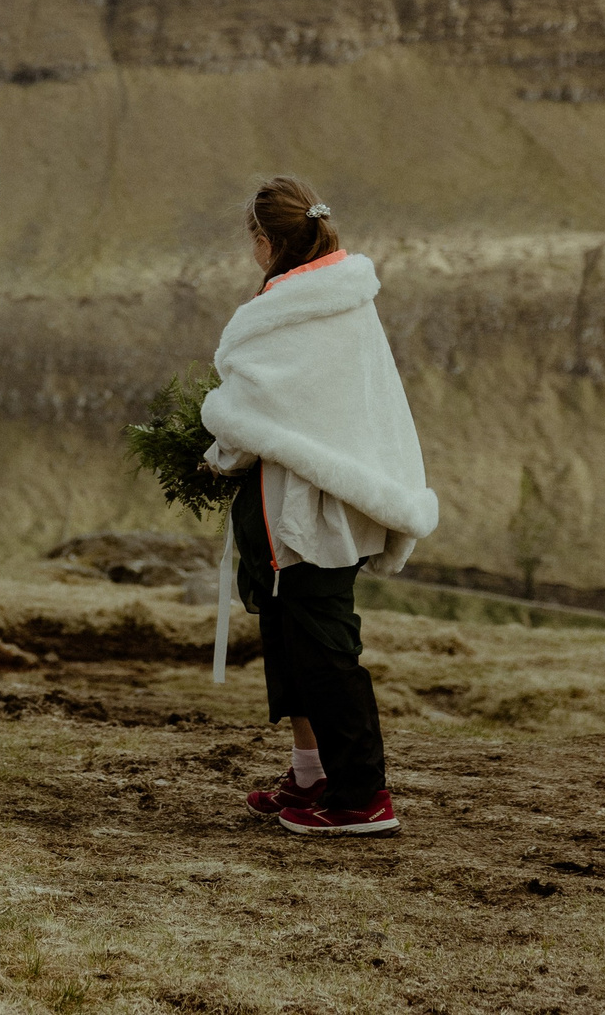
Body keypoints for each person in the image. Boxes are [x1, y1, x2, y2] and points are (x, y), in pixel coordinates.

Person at [199, 177, 438, 836]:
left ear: (264, 241)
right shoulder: (320, 300)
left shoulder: (302, 310)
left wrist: (218, 442)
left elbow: (254, 411)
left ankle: (363, 796)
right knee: (290, 643)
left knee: (326, 650)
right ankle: (312, 773)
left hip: (313, 514)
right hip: (298, 508)